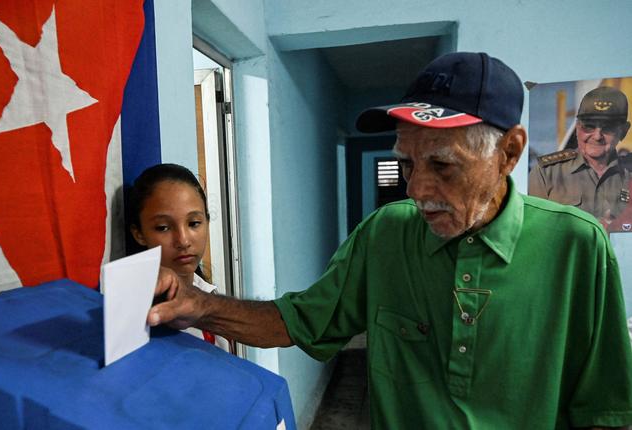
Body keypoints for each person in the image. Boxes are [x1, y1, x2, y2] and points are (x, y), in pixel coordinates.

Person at [146, 52, 632, 428]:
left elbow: (605, 410)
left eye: (442, 165)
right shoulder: (386, 234)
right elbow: (296, 322)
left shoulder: (577, 247)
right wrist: (199, 305)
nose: (415, 189)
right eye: (407, 163)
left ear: (509, 153)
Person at [128, 163, 230, 352]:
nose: (183, 241)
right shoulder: (134, 315)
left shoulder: (210, 294)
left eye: (194, 223)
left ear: (207, 221)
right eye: (163, 228)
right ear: (139, 234)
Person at [529, 86, 631, 231]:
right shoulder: (546, 173)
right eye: (588, 126)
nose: (597, 136)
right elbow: (535, 232)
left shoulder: (629, 174)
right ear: (577, 127)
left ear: (624, 131)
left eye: (608, 127)